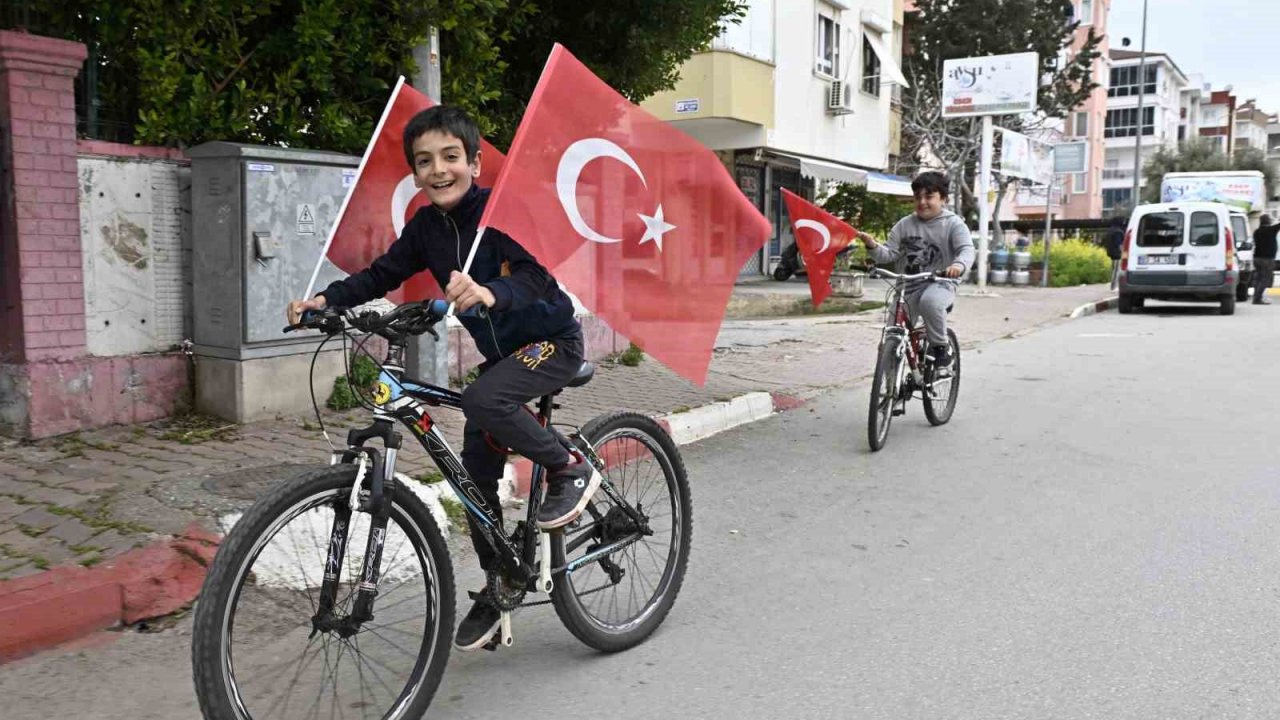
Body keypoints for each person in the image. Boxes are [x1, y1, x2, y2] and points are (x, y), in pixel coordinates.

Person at [285, 105, 601, 651]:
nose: (439, 169)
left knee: (482, 398)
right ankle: (501, 576)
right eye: (425, 161)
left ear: (475, 163)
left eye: (451, 157)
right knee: (472, 477)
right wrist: (326, 300)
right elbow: (384, 272)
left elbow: (533, 274)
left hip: (552, 343)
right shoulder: (425, 228)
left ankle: (568, 466)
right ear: (415, 173)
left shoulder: (501, 213)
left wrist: (488, 293)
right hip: (503, 362)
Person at [856, 171, 975, 368]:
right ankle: (889, 390)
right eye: (917, 197)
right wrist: (872, 246)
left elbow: (966, 249)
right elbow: (889, 255)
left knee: (930, 302)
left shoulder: (953, 224)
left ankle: (940, 349)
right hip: (907, 286)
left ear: (943, 199)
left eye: (929, 196)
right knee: (890, 339)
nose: (922, 202)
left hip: (940, 283)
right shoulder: (904, 225)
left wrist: (958, 265)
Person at [1251, 213, 1278, 305]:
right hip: (1267, 259)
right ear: (1268, 221)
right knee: (1265, 279)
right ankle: (1257, 298)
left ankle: (1256, 297)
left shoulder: (1256, 232)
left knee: (1258, 278)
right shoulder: (1271, 230)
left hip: (1256, 258)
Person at [1105, 215, 1126, 291]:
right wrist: (1124, 253)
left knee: (1114, 269)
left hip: (1111, 252)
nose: (1124, 222)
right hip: (1117, 254)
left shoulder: (1111, 230)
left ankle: (1113, 285)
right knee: (1116, 270)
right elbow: (1119, 244)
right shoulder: (1118, 231)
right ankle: (1114, 287)